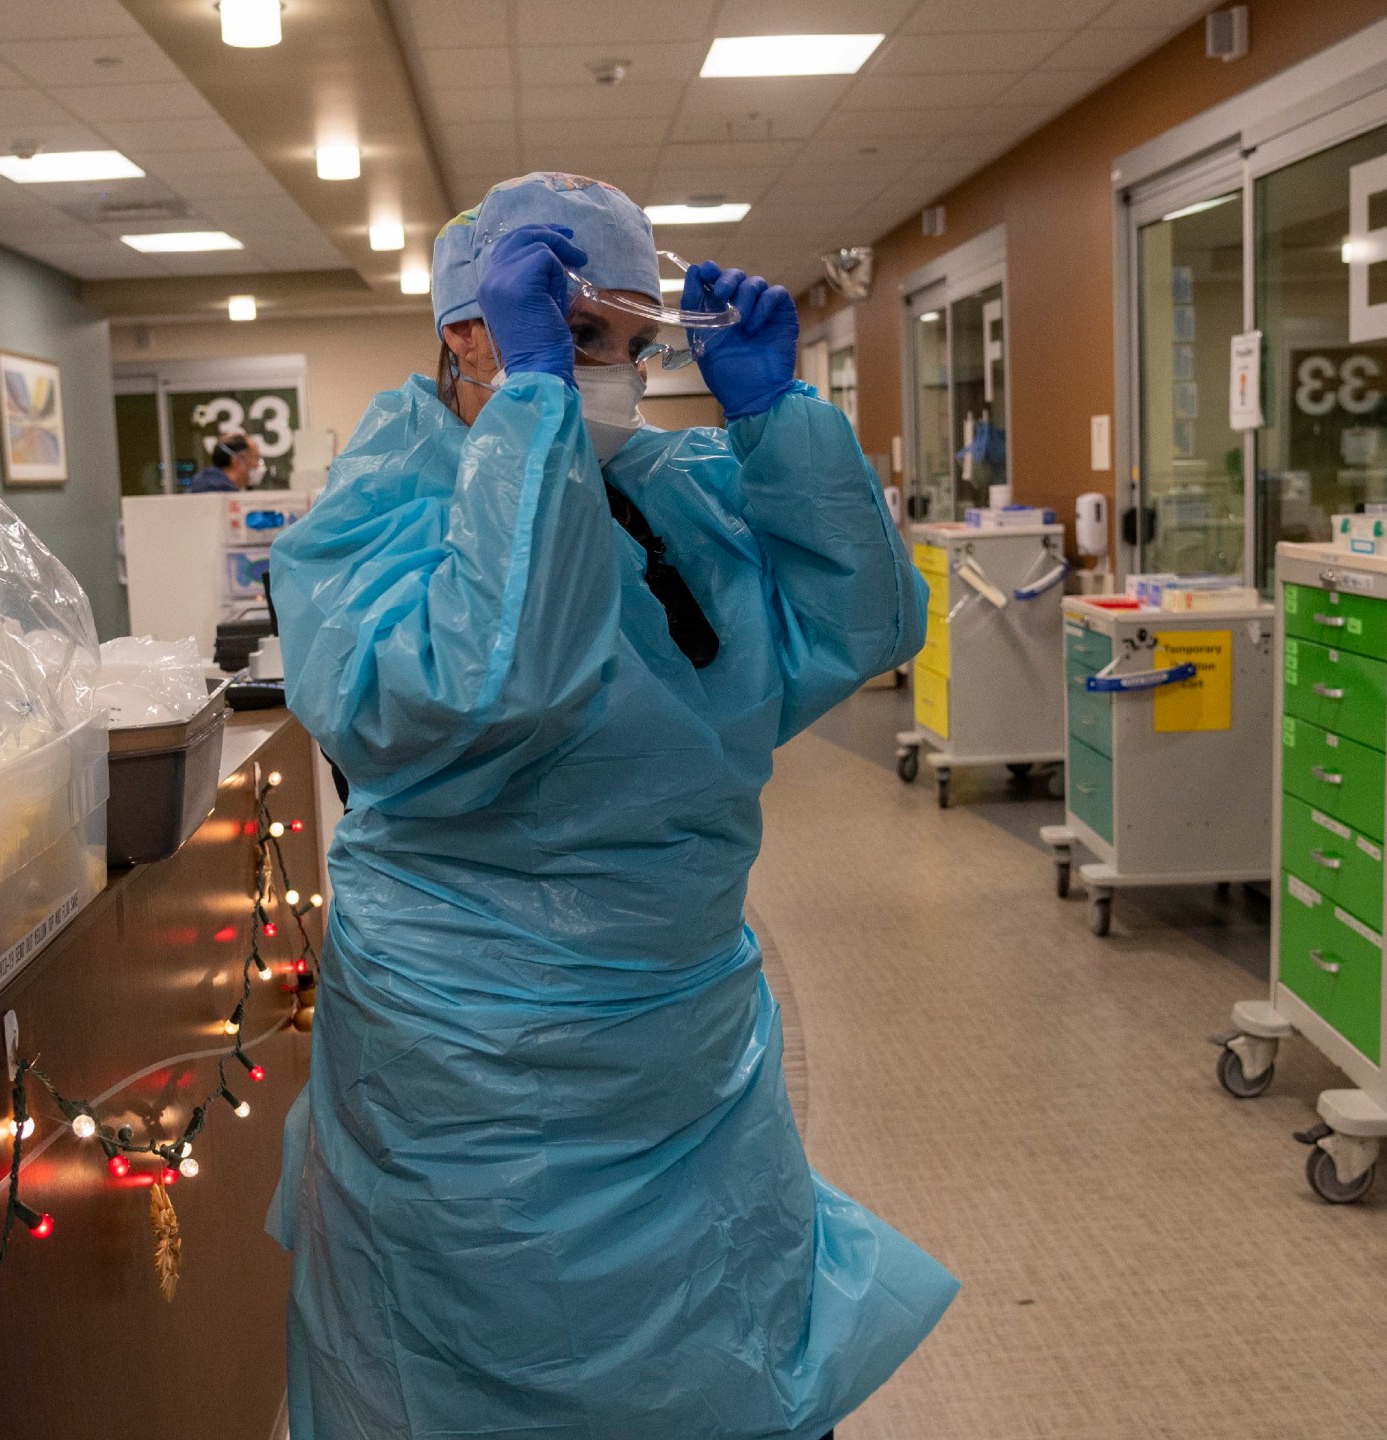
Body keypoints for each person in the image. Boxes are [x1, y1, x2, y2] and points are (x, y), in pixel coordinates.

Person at [267, 172, 955, 1440]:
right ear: (468, 330)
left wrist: (779, 424)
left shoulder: (667, 489)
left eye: (636, 344)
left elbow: (861, 625)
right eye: (584, 335)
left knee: (717, 1354)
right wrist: (534, 414)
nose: (618, 374)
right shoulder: (372, 516)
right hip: (465, 1062)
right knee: (479, 1374)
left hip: (683, 1041)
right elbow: (484, 685)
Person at [189, 430, 259, 492]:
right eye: (255, 458)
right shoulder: (218, 491)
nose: (257, 465)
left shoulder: (204, 482)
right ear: (237, 461)